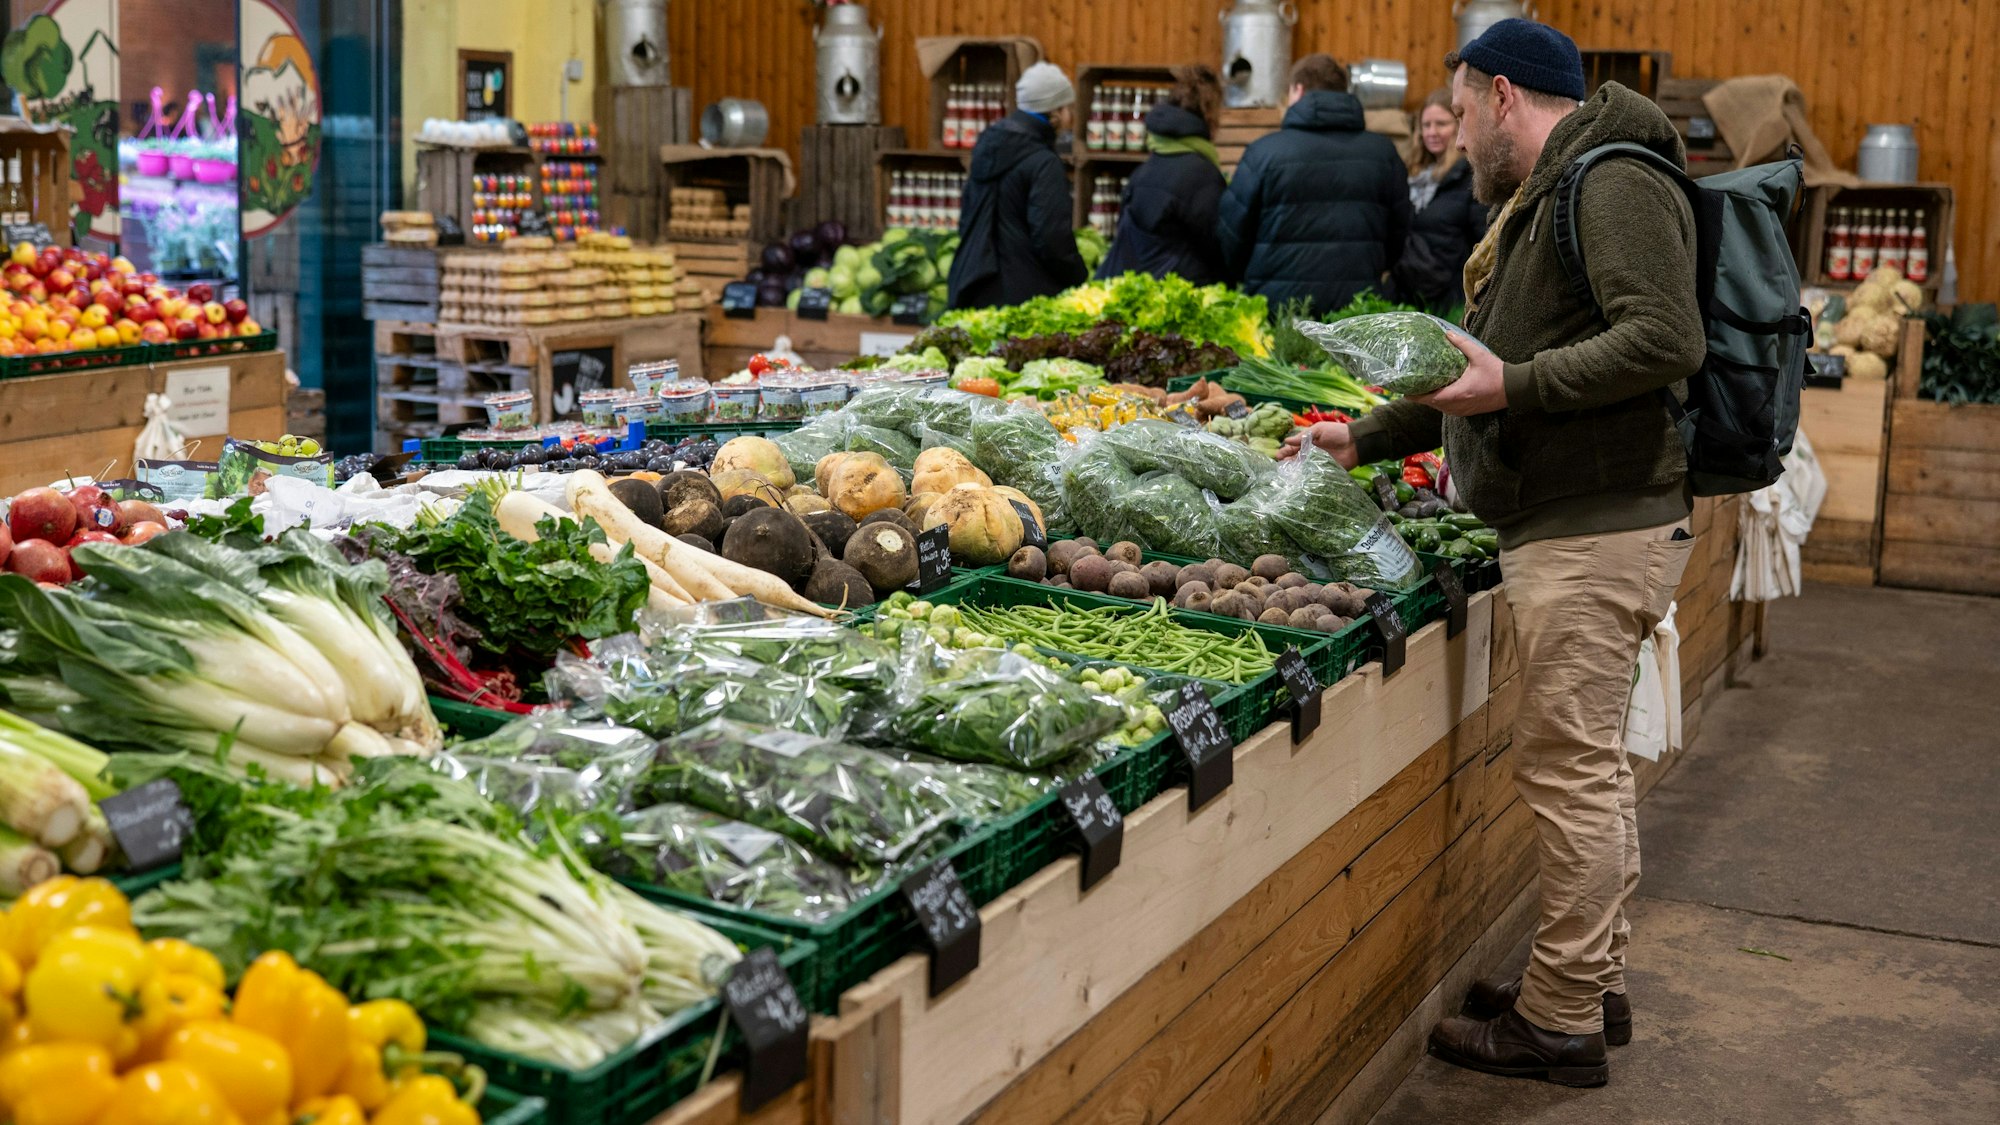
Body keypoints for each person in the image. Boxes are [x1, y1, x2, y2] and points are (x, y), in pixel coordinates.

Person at [1281, 19, 1705, 1087]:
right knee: (1586, 769)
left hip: (1595, 525)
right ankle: (1581, 982)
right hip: (1568, 519)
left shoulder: (1608, 181)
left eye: (1461, 111)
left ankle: (1556, 1025)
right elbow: (1483, 370)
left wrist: (1512, 388)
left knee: (1569, 774)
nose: (1455, 134)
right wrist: (1364, 436)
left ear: (1501, 95)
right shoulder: (1548, 193)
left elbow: (1663, 339)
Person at [1215, 53, 1409, 316]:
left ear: (1298, 89)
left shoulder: (1264, 152)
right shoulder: (1384, 153)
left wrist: (1250, 277)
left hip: (1277, 310)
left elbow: (1232, 233)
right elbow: (1399, 232)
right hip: (1356, 310)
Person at [946, 62, 1090, 310]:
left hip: (975, 284)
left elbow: (967, 216)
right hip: (1025, 295)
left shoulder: (987, 146)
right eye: (1070, 107)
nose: (1072, 116)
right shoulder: (1044, 163)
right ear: (1056, 111)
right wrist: (1079, 278)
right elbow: (1051, 237)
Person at [1095, 65, 1228, 284]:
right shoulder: (1202, 176)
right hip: (1178, 293)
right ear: (1210, 117)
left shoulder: (1145, 170)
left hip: (1141, 291)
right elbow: (1218, 245)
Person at [1386, 88, 1488, 313]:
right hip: (1404, 298)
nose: (1431, 132)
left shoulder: (1470, 178)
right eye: (1426, 125)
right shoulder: (1410, 175)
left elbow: (1483, 244)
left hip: (1449, 303)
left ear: (1458, 126)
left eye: (1441, 124)